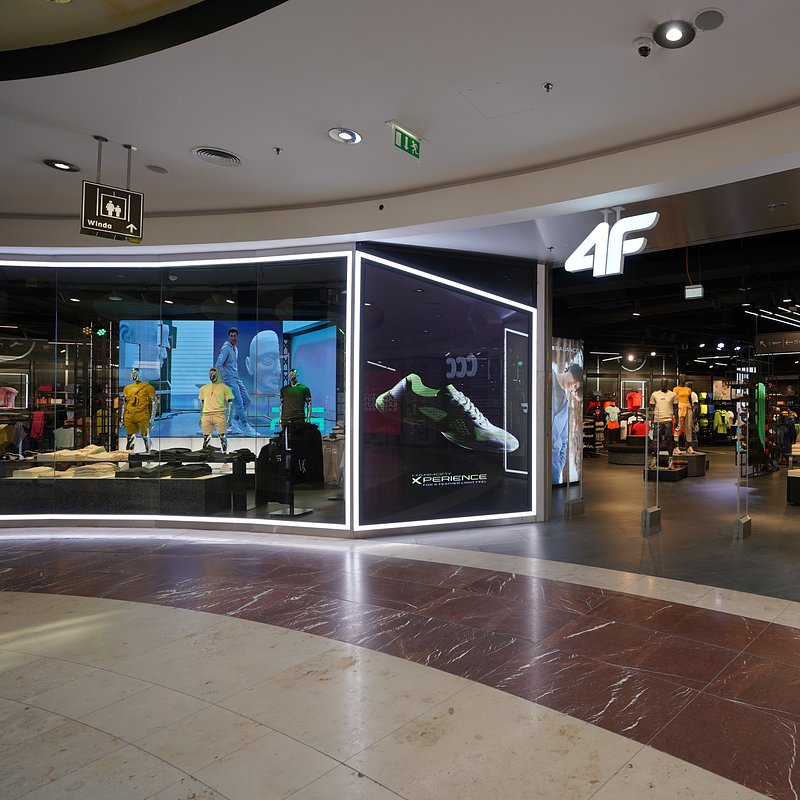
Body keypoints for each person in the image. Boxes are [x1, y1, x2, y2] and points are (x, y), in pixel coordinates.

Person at [215, 327, 257, 436]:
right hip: (230, 379)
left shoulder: (235, 348)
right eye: (231, 336)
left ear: (237, 337)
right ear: (228, 337)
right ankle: (246, 427)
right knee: (239, 404)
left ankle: (234, 422)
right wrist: (226, 377)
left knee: (247, 400)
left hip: (236, 378)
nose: (233, 338)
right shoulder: (226, 348)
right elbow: (218, 365)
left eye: (235, 336)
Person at [552, 361, 583, 484]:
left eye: (575, 386)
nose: (572, 385)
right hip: (536, 452)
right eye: (574, 380)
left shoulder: (565, 403)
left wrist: (559, 463)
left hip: (554, 460)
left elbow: (564, 437)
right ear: (570, 370)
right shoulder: (545, 379)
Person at [121, 367, 157, 452]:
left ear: (140, 374)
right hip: (129, 415)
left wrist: (152, 419)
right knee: (130, 437)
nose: (134, 375)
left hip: (142, 415)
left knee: (145, 436)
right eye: (132, 373)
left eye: (135, 373)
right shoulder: (127, 388)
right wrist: (122, 419)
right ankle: (129, 455)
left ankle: (148, 453)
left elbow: (154, 403)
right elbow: (124, 404)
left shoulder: (148, 387)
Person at [198, 367, 233, 452]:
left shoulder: (225, 388)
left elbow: (230, 403)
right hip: (206, 415)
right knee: (206, 437)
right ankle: (204, 454)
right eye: (210, 373)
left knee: (222, 436)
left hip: (219, 415)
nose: (212, 375)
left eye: (214, 373)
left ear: (218, 374)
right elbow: (202, 404)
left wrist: (229, 418)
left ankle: (224, 453)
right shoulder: (204, 388)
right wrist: (201, 417)